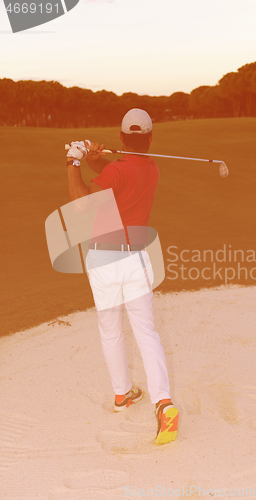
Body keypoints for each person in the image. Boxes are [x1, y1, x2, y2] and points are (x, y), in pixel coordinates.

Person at [66, 108, 179, 446]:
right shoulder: (151, 167)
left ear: (121, 138)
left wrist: (74, 161)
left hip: (104, 259)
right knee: (146, 331)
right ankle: (163, 402)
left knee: (110, 327)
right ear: (150, 138)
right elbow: (116, 173)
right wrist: (96, 160)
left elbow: (82, 204)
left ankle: (122, 394)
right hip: (137, 261)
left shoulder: (117, 171)